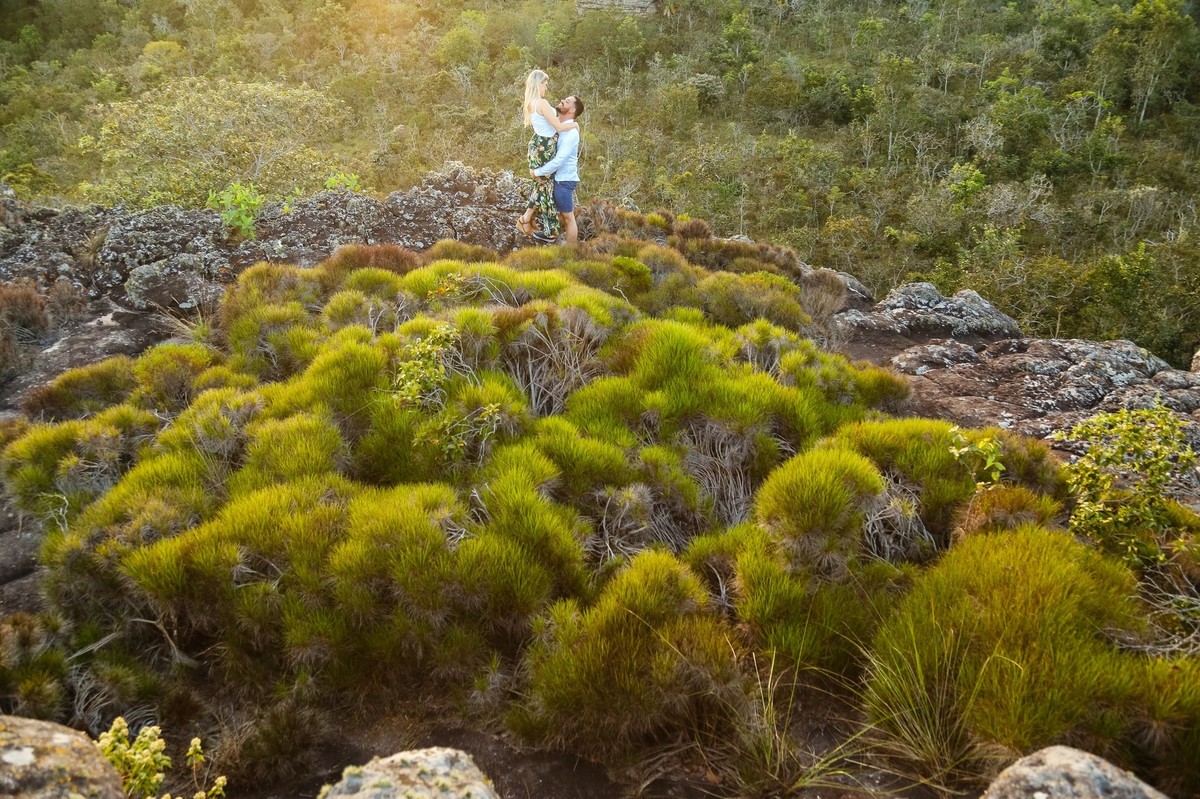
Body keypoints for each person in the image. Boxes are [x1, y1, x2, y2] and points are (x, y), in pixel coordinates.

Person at [517, 70, 576, 240]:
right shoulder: (541, 103)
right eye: (545, 84)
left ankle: (525, 219)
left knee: (540, 184)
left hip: (538, 145)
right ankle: (551, 231)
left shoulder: (531, 103)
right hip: (544, 147)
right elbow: (557, 126)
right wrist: (575, 126)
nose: (546, 87)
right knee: (546, 187)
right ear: (538, 84)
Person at [530, 95, 584, 245]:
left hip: (564, 180)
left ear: (572, 110)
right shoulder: (559, 125)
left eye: (567, 102)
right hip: (556, 178)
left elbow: (560, 160)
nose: (562, 101)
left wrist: (537, 172)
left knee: (568, 217)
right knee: (555, 211)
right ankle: (549, 235)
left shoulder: (571, 133)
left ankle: (570, 252)